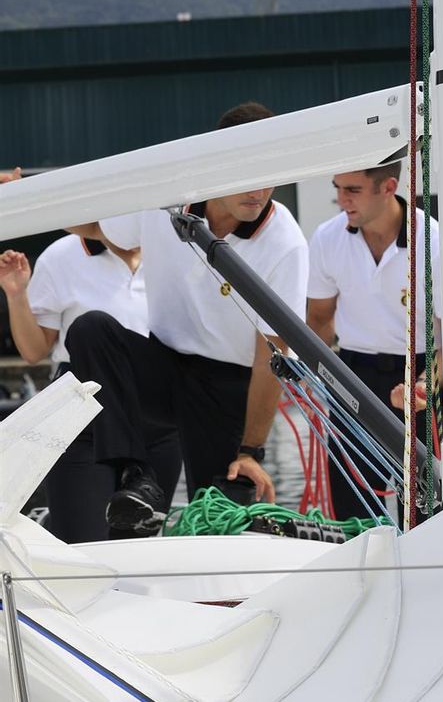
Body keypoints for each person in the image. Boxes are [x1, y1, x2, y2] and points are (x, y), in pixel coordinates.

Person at [65, 103, 309, 531]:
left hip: (227, 389)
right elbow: (97, 229)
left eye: (270, 175)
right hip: (163, 367)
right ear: (217, 163)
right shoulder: (168, 197)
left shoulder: (285, 243)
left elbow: (270, 358)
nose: (259, 190)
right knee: (90, 329)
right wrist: (32, 202)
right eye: (248, 174)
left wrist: (251, 451)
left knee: (219, 518)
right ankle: (137, 476)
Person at [1, 235, 178, 542]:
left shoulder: (172, 251)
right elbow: (34, 351)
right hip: (83, 416)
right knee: (82, 545)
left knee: (137, 551)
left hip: (153, 417)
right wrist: (16, 296)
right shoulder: (60, 256)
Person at [306, 163, 442, 520]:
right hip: (353, 374)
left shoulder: (432, 240)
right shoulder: (327, 237)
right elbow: (319, 318)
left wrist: (424, 385)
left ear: (388, 187)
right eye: (338, 188)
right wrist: (311, 376)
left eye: (353, 190)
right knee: (352, 506)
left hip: (420, 375)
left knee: (425, 509)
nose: (342, 200)